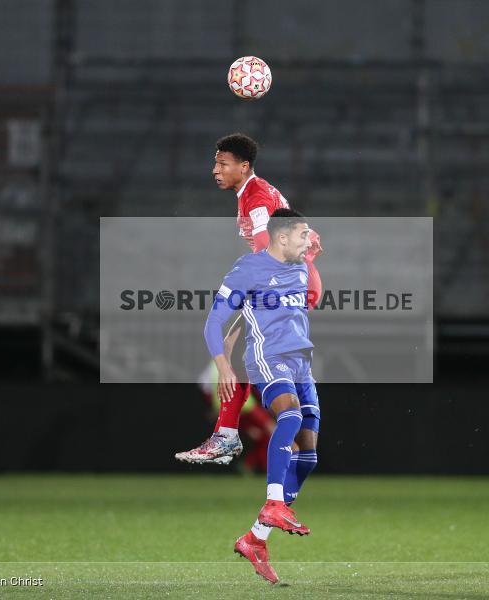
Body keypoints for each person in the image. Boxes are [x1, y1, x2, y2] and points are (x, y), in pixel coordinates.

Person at [175, 134, 323, 465]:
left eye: (222, 164)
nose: (215, 169)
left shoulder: (255, 200)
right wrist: (309, 237)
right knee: (240, 352)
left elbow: (262, 246)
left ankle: (233, 436)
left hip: (286, 286)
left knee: (238, 349)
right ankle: (275, 438)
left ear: (243, 167)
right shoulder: (257, 192)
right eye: (215, 162)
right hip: (296, 281)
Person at [203, 209, 321, 584]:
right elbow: (214, 321)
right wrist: (223, 365)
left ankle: (256, 538)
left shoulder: (301, 265)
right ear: (282, 237)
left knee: (308, 457)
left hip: (302, 362)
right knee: (289, 416)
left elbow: (312, 295)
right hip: (268, 359)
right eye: (304, 235)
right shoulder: (248, 269)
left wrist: (313, 258)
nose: (309, 239)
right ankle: (273, 502)